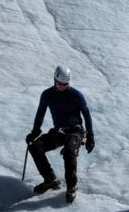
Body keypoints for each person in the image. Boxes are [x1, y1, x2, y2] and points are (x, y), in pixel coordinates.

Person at [25, 65, 95, 203]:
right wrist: (35, 132)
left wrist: (90, 136)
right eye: (60, 83)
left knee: (69, 150)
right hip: (59, 131)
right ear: (54, 80)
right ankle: (50, 180)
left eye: (66, 84)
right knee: (35, 146)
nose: (63, 86)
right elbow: (40, 114)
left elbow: (86, 115)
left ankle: (71, 186)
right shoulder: (47, 95)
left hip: (76, 131)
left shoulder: (76, 95)